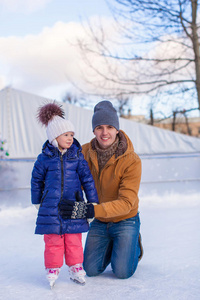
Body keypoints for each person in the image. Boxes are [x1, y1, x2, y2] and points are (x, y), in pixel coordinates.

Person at [59, 100, 143, 280]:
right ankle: (116, 245)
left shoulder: (131, 160)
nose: (105, 133)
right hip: (100, 220)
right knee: (90, 269)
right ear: (93, 130)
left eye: (110, 127)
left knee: (122, 272)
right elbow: (71, 178)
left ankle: (132, 243)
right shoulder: (83, 152)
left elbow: (127, 203)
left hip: (125, 219)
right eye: (99, 127)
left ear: (117, 130)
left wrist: (90, 209)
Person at [31, 102, 98, 287]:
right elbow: (36, 180)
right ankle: (52, 268)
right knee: (53, 240)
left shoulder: (77, 157)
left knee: (74, 239)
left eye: (71, 135)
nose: (70, 138)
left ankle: (76, 267)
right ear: (54, 137)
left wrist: (93, 203)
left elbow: (88, 180)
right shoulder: (44, 158)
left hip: (74, 205)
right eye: (66, 135)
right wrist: (36, 200)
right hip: (51, 207)